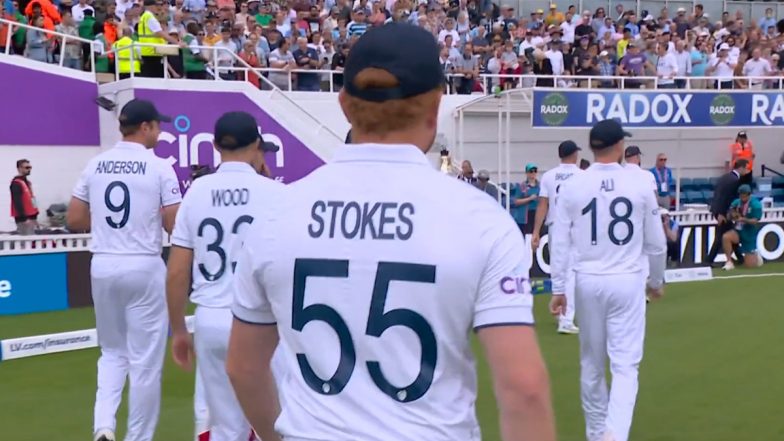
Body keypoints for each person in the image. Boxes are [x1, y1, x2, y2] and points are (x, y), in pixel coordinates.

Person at [226, 23, 556, 441]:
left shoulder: (277, 214)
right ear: (436, 104)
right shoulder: (480, 219)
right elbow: (523, 388)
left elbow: (244, 367)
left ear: (345, 106)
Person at [66, 99, 181, 441]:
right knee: (145, 364)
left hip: (102, 263)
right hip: (143, 264)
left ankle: (104, 425)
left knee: (112, 353)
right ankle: (138, 438)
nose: (160, 131)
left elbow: (74, 219)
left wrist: (108, 226)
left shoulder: (96, 164)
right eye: (157, 125)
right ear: (144, 127)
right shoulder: (159, 167)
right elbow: (175, 224)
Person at [167, 111, 282, 441]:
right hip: (262, 322)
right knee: (273, 422)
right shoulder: (275, 194)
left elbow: (176, 272)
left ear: (216, 146)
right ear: (257, 145)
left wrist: (178, 330)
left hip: (211, 320)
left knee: (224, 428)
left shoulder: (197, 192)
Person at [550, 119, 666, 441]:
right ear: (619, 147)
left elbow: (560, 241)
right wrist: (656, 281)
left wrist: (559, 288)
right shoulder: (641, 182)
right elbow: (656, 242)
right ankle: (614, 433)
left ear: (591, 147)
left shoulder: (573, 185)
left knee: (591, 364)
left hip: (587, 279)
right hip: (627, 279)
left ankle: (597, 433)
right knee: (626, 366)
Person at [531, 140, 584, 335]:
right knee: (571, 272)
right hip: (576, 227)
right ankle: (566, 318)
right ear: (574, 154)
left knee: (559, 271)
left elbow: (542, 205)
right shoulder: (582, 176)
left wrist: (536, 232)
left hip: (555, 226)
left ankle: (562, 312)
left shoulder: (549, 176)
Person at [707, 159, 750, 265]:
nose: (747, 171)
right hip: (724, 212)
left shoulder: (725, 177)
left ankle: (740, 258)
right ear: (741, 167)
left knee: (729, 233)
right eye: (746, 168)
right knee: (721, 236)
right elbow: (725, 197)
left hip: (719, 210)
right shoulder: (734, 180)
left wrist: (717, 211)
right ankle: (708, 261)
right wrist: (722, 213)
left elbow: (718, 195)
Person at [722, 184, 764, 270]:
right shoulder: (736, 202)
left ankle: (755, 255)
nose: (742, 198)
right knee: (726, 237)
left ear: (749, 195)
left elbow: (755, 221)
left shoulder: (755, 204)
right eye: (741, 195)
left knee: (749, 265)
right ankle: (729, 261)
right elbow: (729, 214)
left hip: (749, 233)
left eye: (744, 196)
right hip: (738, 230)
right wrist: (731, 215)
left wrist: (743, 219)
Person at [10, 159, 39, 235]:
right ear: (19, 168)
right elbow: (17, 202)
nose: (29, 169)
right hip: (23, 219)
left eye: (30, 167)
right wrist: (24, 219)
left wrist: (35, 216)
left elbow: (32, 199)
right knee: (26, 241)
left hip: (31, 217)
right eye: (27, 167)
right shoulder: (16, 183)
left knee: (32, 240)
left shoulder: (27, 183)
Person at [510, 163, 540, 235]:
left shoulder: (540, 186)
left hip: (537, 214)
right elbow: (516, 202)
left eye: (535, 171)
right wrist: (529, 199)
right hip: (524, 216)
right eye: (531, 171)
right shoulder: (522, 186)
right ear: (527, 173)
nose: (533, 173)